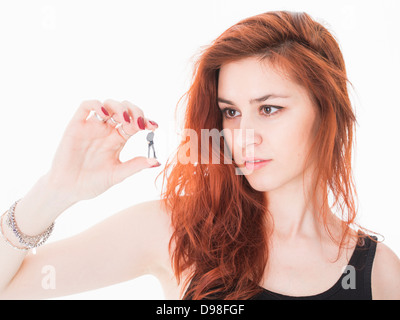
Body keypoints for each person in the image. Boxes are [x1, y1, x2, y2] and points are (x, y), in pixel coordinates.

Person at [0, 11, 399, 300]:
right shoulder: (175, 232)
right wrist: (55, 192)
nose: (244, 136)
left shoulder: (378, 273)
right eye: (230, 112)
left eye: (269, 109)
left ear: (326, 111)